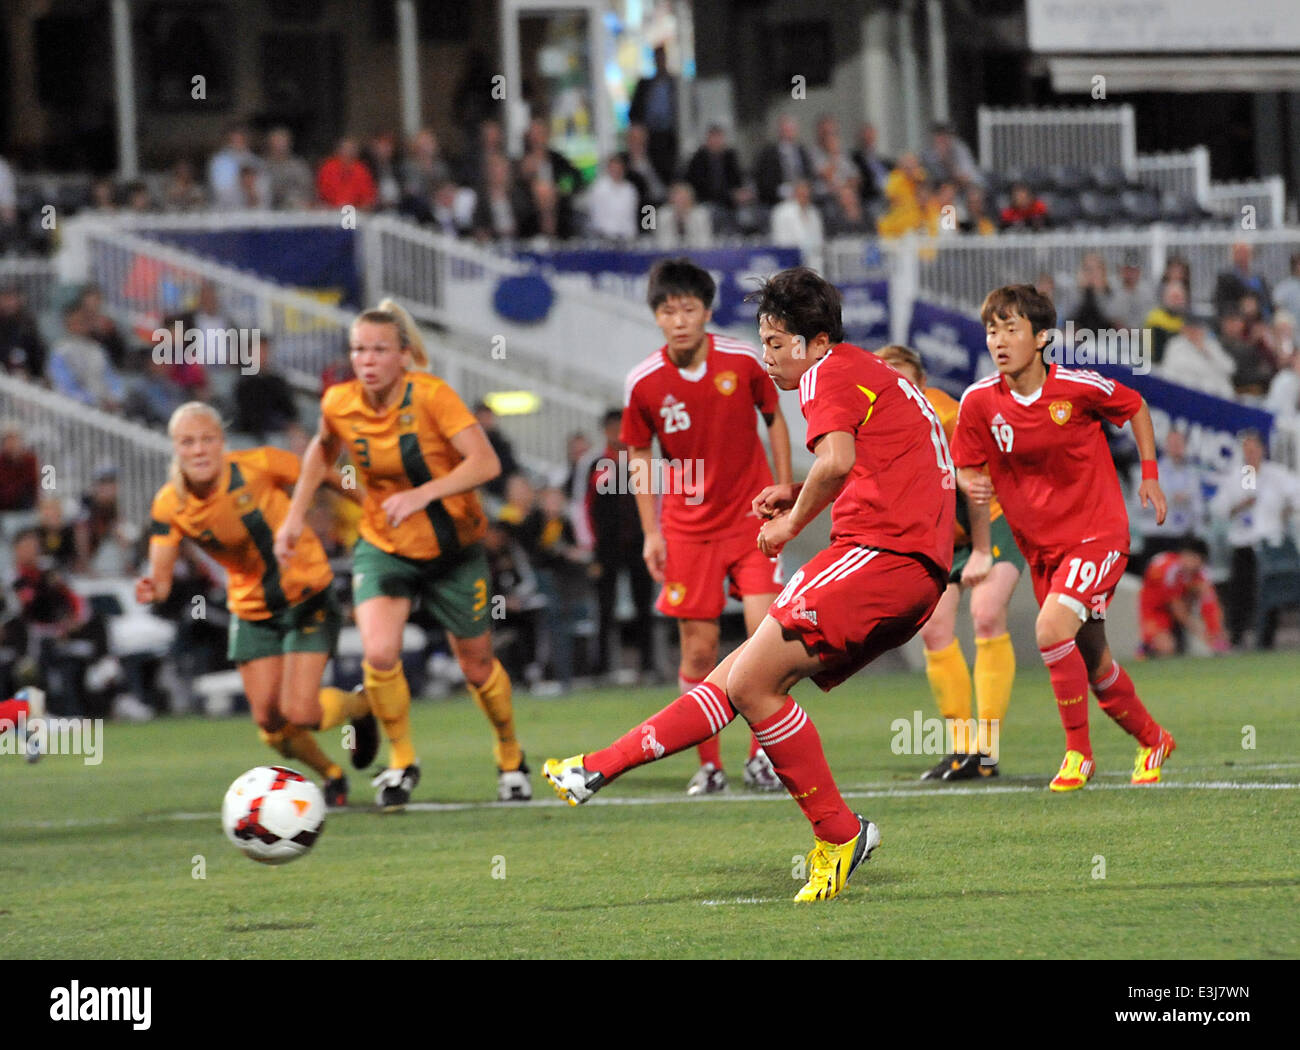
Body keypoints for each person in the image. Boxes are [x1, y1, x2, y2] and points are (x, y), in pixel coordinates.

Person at [544, 266, 956, 903]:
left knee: (750, 681)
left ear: (814, 341)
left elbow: (840, 461)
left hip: (883, 556)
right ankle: (598, 766)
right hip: (899, 562)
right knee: (735, 676)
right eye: (763, 341)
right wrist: (794, 490)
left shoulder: (829, 372)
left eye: (775, 341)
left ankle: (841, 833)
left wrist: (792, 521)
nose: (767, 357)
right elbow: (872, 462)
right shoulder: (858, 373)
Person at [275, 299, 531, 808]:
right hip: (385, 546)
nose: (366, 360)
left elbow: (485, 463)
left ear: (403, 355)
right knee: (378, 653)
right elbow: (320, 455)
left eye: (378, 350)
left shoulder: (433, 396)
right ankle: (401, 761)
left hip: (452, 551)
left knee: (477, 667)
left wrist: (424, 493)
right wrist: (293, 518)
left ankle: (510, 756)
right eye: (358, 350)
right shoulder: (338, 403)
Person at [951, 284, 1176, 791]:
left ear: (1042, 336)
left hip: (1097, 535)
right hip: (1042, 550)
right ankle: (1153, 739)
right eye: (992, 330)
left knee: (1050, 630)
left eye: (1012, 328)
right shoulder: (979, 403)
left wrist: (1150, 475)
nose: (1000, 340)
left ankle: (1078, 755)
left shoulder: (1076, 388)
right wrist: (974, 504)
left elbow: (1135, 405)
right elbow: (966, 470)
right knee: (1093, 661)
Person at [137, 402, 377, 806]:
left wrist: (372, 507)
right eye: (188, 442)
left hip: (306, 595)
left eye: (207, 439)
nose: (199, 450)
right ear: (175, 448)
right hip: (252, 610)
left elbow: (320, 471)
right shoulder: (168, 504)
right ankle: (332, 775)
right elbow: (160, 575)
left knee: (300, 712)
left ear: (222, 442)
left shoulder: (261, 464)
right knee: (269, 724)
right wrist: (152, 588)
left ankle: (360, 705)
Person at [620, 258, 794, 796]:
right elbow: (639, 457)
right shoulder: (643, 382)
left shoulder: (743, 361)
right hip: (688, 531)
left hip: (752, 520)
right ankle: (709, 764)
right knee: (699, 650)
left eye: (688, 309)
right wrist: (652, 532)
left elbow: (775, 419)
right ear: (656, 317)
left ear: (707, 312)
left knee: (768, 642)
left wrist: (786, 495)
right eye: (668, 311)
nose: (679, 320)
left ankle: (761, 759)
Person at [874, 345, 1024, 781]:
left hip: (992, 518)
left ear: (921, 382)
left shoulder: (945, 415)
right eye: (888, 381)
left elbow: (974, 485)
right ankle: (963, 749)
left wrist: (980, 550)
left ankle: (988, 751)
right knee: (935, 629)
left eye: (906, 379)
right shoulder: (874, 429)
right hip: (941, 533)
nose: (899, 389)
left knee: (985, 613)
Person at [1209, 430, 1300, 649]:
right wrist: (1239, 506)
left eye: (1254, 448)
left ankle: (1266, 638)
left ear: (1262, 449)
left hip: (1270, 543)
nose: (1251, 453)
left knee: (1272, 590)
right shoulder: (1239, 476)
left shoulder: (1276, 474)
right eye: (1246, 449)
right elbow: (1218, 508)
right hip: (1244, 543)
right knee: (1241, 591)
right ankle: (1237, 638)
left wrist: (1287, 510)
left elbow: (1296, 496)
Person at [1138, 538, 1227, 658]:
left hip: (1179, 608)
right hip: (1155, 610)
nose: (1188, 562)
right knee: (1167, 648)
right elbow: (1177, 608)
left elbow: (1210, 605)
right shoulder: (1167, 569)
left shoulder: (1201, 575)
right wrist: (1201, 633)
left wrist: (1216, 632)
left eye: (1194, 559)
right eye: (1187, 557)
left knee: (1177, 649)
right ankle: (1146, 647)